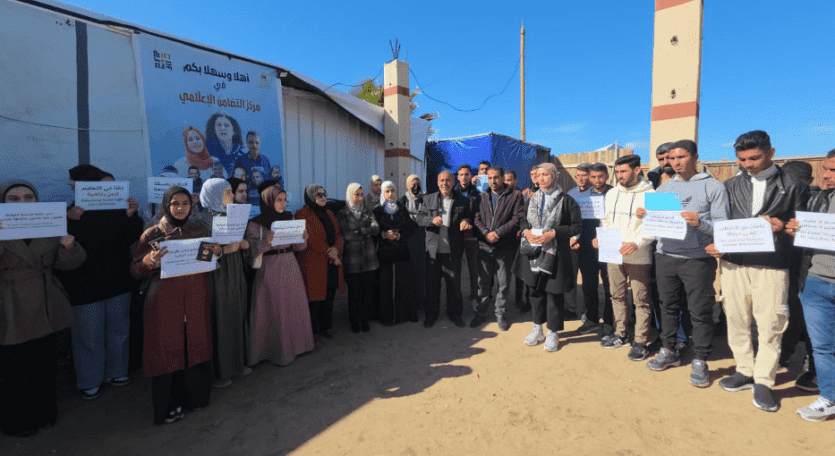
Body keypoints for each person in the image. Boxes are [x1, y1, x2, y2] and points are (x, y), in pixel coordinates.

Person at [710, 130, 808, 413]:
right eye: (742, 159)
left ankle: (764, 380)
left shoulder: (794, 185)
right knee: (736, 319)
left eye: (754, 158)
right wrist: (718, 244)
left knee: (770, 323)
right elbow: (722, 222)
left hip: (772, 265)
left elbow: (804, 227)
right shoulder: (729, 185)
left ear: (771, 153)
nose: (748, 164)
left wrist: (784, 227)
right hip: (734, 263)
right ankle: (744, 370)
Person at [638, 140, 728, 388]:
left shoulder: (713, 187)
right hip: (666, 256)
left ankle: (700, 359)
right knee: (667, 306)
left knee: (700, 310)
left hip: (697, 259)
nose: (675, 162)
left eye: (681, 157)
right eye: (671, 159)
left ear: (695, 157)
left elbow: (722, 226)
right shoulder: (664, 190)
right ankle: (668, 349)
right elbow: (657, 225)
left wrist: (700, 223)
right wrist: (646, 216)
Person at [0, 179, 86, 437]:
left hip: (44, 300)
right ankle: (16, 420)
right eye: (14, 198)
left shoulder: (47, 224)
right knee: (12, 366)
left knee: (43, 362)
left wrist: (69, 246)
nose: (22, 203)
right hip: (9, 303)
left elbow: (66, 264)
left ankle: (44, 412)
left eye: (28, 197)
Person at [130, 186, 219, 425]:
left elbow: (205, 261)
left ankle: (196, 398)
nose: (180, 208)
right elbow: (135, 271)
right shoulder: (152, 235)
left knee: (196, 344)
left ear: (191, 206)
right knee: (167, 350)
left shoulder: (199, 230)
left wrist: (215, 251)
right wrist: (149, 261)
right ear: (166, 205)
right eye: (175, 204)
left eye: (185, 204)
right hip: (164, 302)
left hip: (195, 298)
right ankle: (168, 405)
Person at [56, 165, 144, 400]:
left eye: (113, 186)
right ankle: (90, 380)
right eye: (102, 186)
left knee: (119, 330)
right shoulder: (72, 213)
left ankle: (118, 371)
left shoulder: (119, 211)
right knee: (88, 335)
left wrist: (131, 215)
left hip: (118, 281)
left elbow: (131, 237)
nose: (109, 191)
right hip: (85, 286)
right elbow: (64, 248)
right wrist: (71, 222)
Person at [786, 149, 835, 422]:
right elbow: (809, 238)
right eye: (825, 169)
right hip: (816, 282)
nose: (825, 176)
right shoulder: (819, 199)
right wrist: (797, 231)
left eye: (833, 171)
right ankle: (829, 398)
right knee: (823, 347)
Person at [592, 155, 655, 361]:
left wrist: (638, 243)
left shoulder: (651, 194)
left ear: (637, 170)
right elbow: (605, 219)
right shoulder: (612, 194)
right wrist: (601, 237)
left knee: (640, 300)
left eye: (623, 171)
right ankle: (620, 334)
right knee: (616, 296)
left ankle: (640, 341)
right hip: (613, 253)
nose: (619, 176)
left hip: (639, 255)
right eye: (617, 172)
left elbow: (655, 226)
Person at [515, 163, 583, 351]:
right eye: (538, 175)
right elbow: (523, 220)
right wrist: (526, 231)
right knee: (535, 291)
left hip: (555, 254)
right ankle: (538, 328)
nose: (541, 178)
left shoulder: (566, 201)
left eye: (545, 174)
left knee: (554, 293)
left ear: (555, 176)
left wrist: (553, 233)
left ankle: (553, 332)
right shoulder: (531, 199)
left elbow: (577, 226)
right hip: (533, 252)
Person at [246, 184, 313, 366]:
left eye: (284, 200)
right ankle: (275, 351)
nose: (283, 203)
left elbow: (298, 247)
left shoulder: (289, 218)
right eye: (278, 200)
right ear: (268, 201)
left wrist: (303, 239)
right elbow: (250, 251)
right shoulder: (255, 223)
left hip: (290, 265)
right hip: (270, 267)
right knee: (275, 308)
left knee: (293, 305)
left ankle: (298, 346)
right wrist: (266, 242)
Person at [193, 179, 250, 388]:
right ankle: (221, 371)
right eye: (227, 192)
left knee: (237, 313)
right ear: (213, 194)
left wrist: (244, 245)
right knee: (221, 318)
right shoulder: (201, 220)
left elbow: (242, 241)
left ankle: (237, 363)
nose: (232, 196)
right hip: (217, 275)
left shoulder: (232, 215)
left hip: (235, 271)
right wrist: (224, 251)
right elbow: (199, 255)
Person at [417, 170, 473, 328]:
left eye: (448, 180)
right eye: (441, 180)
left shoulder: (463, 200)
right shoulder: (428, 199)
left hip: (452, 252)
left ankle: (455, 314)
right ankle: (431, 316)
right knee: (432, 286)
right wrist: (431, 220)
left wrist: (466, 221)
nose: (444, 183)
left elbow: (469, 216)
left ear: (453, 182)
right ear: (437, 182)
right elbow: (419, 218)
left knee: (454, 285)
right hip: (433, 252)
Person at [779, 160, 818, 392]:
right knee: (795, 314)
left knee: (800, 315)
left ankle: (805, 363)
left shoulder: (818, 201)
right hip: (789, 266)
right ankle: (787, 357)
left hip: (805, 268)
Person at [471, 166, 525, 330]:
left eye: (496, 177)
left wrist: (498, 233)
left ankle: (500, 314)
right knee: (483, 283)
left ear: (502, 178)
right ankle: (481, 312)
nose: (493, 181)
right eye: (490, 178)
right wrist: (486, 233)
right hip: (485, 246)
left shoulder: (515, 196)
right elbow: (476, 218)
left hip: (505, 247)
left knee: (504, 284)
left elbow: (517, 218)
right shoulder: (482, 196)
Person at [296, 184, 345, 341]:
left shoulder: (329, 213)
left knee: (329, 294)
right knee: (315, 298)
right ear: (311, 197)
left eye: (324, 194)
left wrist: (336, 250)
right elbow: (310, 239)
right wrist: (330, 252)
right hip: (314, 262)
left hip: (331, 261)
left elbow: (339, 235)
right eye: (319, 195)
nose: (323, 197)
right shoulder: (302, 214)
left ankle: (326, 326)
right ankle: (314, 330)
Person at [573, 163, 614, 335]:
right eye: (594, 177)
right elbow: (576, 221)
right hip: (587, 247)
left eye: (600, 176)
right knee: (589, 286)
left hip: (609, 246)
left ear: (607, 176)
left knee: (610, 287)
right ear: (589, 177)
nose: (597, 180)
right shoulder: (583, 197)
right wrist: (575, 238)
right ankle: (591, 319)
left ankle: (610, 322)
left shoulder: (615, 194)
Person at [337, 183, 380, 333]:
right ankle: (354, 320)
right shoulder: (342, 213)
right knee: (355, 292)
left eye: (362, 195)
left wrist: (360, 230)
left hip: (369, 257)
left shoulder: (367, 211)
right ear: (350, 195)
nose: (360, 198)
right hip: (353, 258)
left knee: (367, 292)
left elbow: (376, 229)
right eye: (357, 195)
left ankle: (365, 319)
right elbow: (346, 234)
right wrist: (366, 232)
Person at [375, 181, 417, 325]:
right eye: (387, 191)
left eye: (392, 191)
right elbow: (373, 230)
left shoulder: (401, 208)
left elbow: (410, 228)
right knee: (385, 284)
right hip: (385, 252)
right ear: (383, 193)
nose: (390, 194)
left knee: (403, 282)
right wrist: (384, 235)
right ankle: (387, 316)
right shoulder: (377, 210)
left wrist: (399, 236)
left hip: (401, 250)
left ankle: (402, 315)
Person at [565, 163, 594, 320]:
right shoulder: (571, 194)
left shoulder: (597, 193)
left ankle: (589, 311)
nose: (580, 178)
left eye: (584, 175)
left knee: (589, 280)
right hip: (573, 244)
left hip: (591, 243)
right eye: (578, 175)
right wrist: (572, 238)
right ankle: (570, 309)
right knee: (571, 277)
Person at [454, 164, 481, 313]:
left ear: (471, 176)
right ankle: (456, 300)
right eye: (461, 175)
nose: (464, 177)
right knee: (456, 270)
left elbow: (480, 214)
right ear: (457, 177)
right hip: (456, 237)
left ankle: (474, 298)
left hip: (472, 236)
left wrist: (470, 222)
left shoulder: (477, 194)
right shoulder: (452, 193)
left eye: (466, 174)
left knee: (474, 270)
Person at [401, 174, 426, 312]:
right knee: (410, 272)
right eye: (413, 184)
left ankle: (422, 302)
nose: (416, 187)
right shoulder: (403, 200)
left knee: (422, 272)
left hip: (423, 239)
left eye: (418, 184)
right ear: (408, 185)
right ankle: (411, 303)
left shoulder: (425, 199)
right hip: (409, 239)